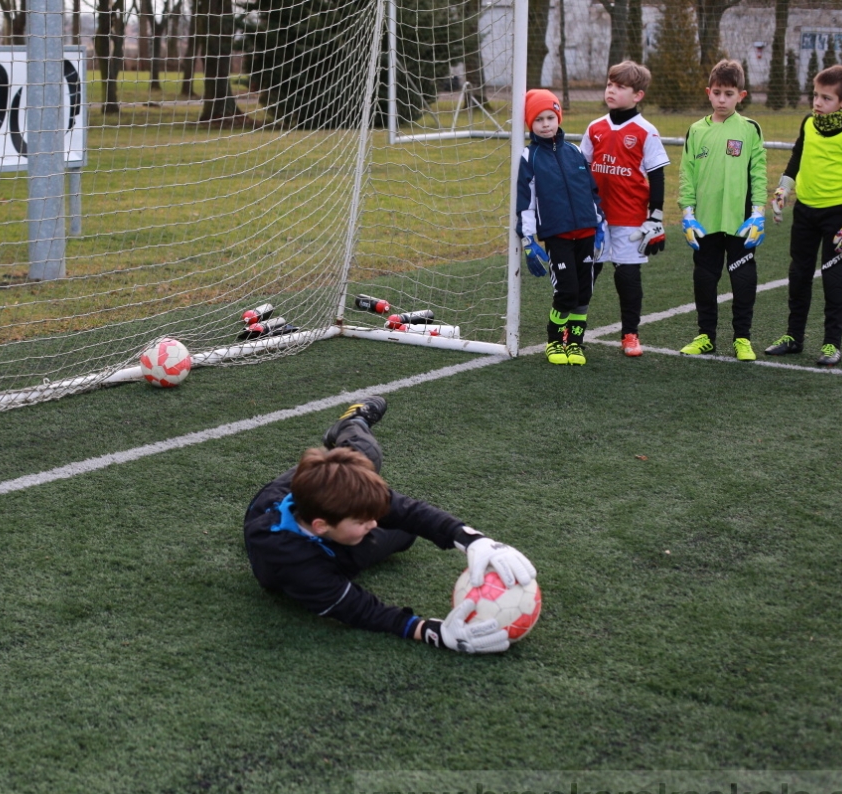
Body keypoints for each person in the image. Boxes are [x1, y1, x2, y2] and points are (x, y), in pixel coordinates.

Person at [243, 397, 537, 655]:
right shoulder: (292, 563)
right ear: (321, 526)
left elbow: (409, 511)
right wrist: (430, 631)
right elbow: (360, 610)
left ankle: (351, 423)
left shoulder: (338, 510)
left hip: (315, 507)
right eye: (362, 521)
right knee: (403, 535)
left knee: (366, 457)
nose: (374, 523)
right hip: (296, 550)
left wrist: (472, 540)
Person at [765, 64, 842, 367]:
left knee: (834, 280)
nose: (817, 103)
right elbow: (796, 158)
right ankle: (793, 337)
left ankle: (831, 345)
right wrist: (783, 189)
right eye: (815, 96)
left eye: (826, 98)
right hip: (804, 213)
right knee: (799, 275)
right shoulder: (808, 123)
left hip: (837, 217)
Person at [677, 59, 767, 362]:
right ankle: (705, 336)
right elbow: (686, 175)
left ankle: (742, 338)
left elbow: (758, 172)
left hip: (740, 222)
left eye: (729, 93)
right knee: (704, 279)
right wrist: (687, 213)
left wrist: (758, 212)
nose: (722, 99)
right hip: (705, 222)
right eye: (717, 92)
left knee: (742, 280)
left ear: (741, 95)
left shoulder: (750, 129)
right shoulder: (695, 131)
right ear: (708, 92)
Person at [580, 61, 671, 358]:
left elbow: (657, 175)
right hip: (595, 220)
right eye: (609, 84)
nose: (611, 90)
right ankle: (572, 330)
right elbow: (581, 170)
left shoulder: (646, 131)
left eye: (620, 87)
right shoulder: (595, 128)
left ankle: (630, 333)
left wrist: (655, 216)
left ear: (637, 95)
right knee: (586, 275)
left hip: (630, 219)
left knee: (628, 278)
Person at [517, 89, 605, 366]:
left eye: (550, 117)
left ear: (558, 118)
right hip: (558, 236)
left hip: (587, 233)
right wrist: (528, 242)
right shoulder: (528, 156)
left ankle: (575, 344)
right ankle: (555, 340)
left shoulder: (575, 151)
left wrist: (599, 226)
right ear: (530, 123)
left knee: (584, 292)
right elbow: (525, 202)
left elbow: (591, 192)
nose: (546, 124)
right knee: (566, 291)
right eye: (539, 119)